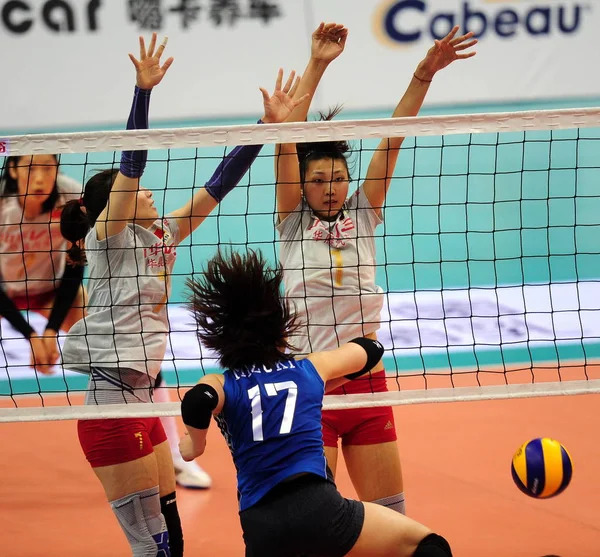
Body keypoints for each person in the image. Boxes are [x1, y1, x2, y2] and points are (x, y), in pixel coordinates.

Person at [59, 33, 308, 556]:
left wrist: (267, 128)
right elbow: (132, 164)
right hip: (110, 405)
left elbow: (221, 182)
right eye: (137, 191)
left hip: (143, 397)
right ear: (113, 207)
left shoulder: (164, 236)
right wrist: (142, 92)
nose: (150, 192)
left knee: (172, 535)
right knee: (153, 549)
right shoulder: (110, 237)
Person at [274, 23, 477, 515]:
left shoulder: (363, 213)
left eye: (338, 178)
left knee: (393, 520)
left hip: (368, 383)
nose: (329, 187)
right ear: (302, 185)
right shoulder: (292, 220)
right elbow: (287, 137)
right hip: (309, 386)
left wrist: (424, 73)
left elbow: (393, 138)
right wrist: (318, 64)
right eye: (318, 179)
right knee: (315, 525)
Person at [178, 249, 453, 557]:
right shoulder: (308, 369)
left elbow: (197, 402)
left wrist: (195, 445)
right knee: (428, 546)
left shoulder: (223, 383)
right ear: (281, 329)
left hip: (260, 526)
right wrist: (325, 380)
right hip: (320, 511)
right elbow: (371, 349)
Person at [0, 154, 85, 373]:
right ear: (13, 169)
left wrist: (50, 330)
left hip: (53, 291)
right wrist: (31, 335)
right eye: (30, 168)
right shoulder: (2, 203)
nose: (39, 179)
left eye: (48, 168)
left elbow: (75, 265)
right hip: (6, 290)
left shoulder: (72, 198)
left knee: (109, 337)